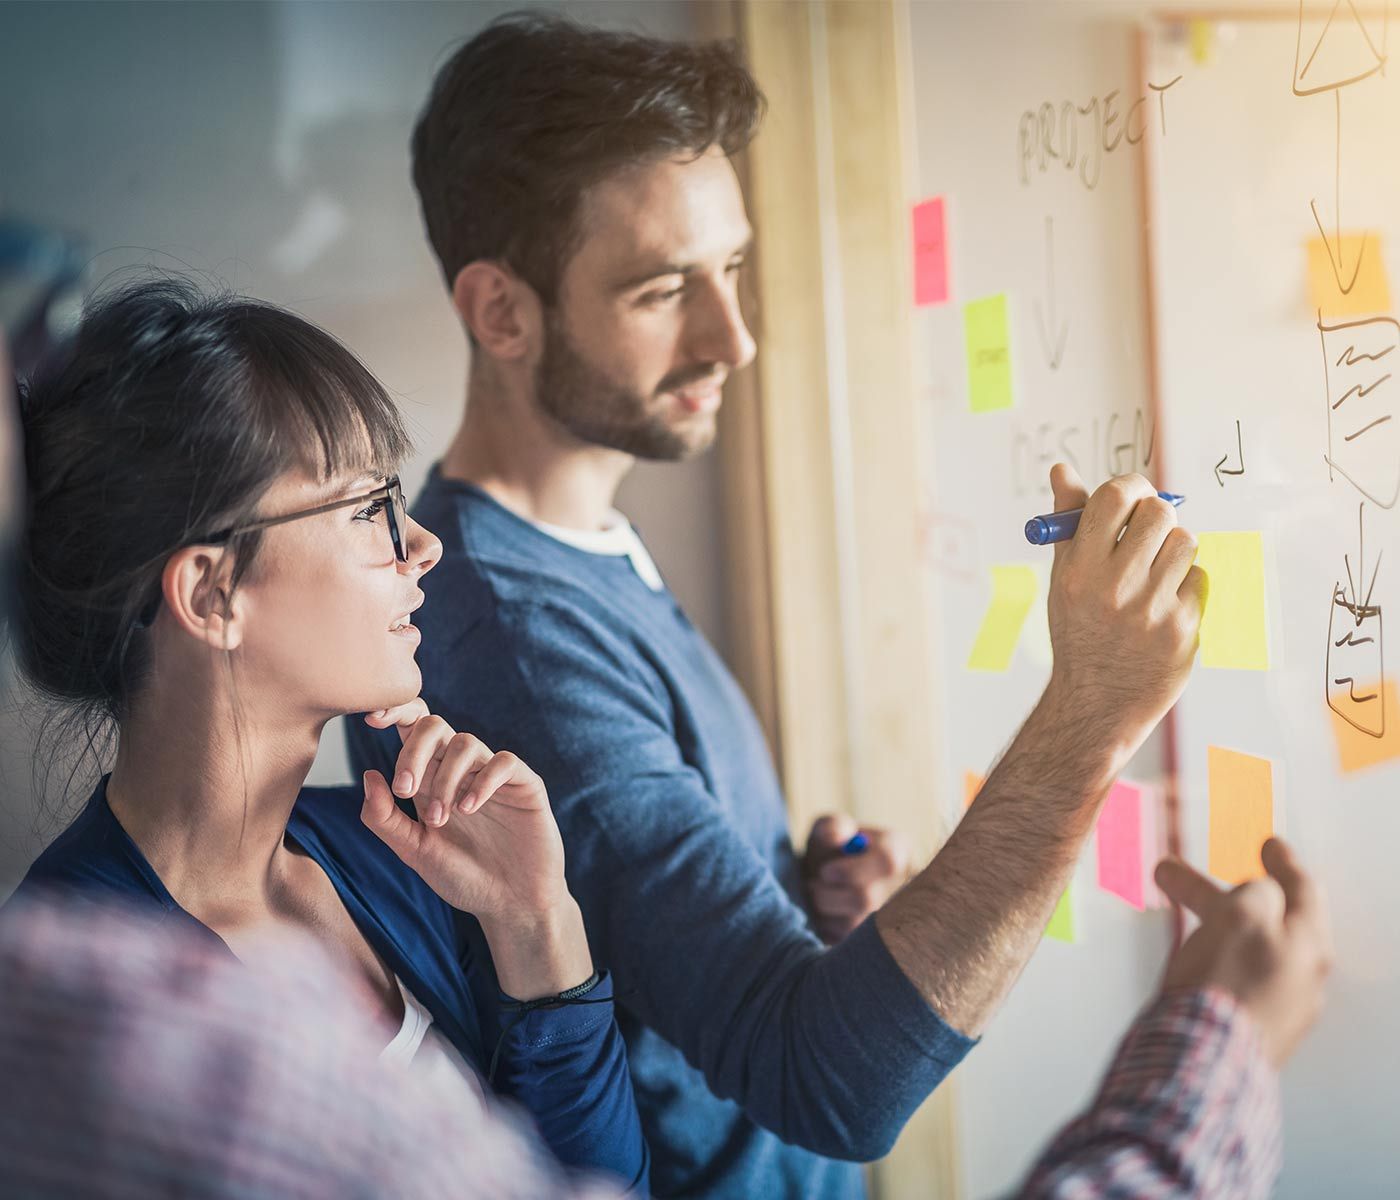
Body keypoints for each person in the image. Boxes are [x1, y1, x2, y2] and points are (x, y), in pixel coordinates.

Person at [347, 15, 1208, 1197]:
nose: (734, 338)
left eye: (733, 269)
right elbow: (827, 1082)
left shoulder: (575, 554)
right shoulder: (516, 640)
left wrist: (810, 919)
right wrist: (1090, 716)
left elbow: (693, 976)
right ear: (501, 312)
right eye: (664, 289)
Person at [7, 277, 647, 1191]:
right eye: (368, 507)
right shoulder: (86, 1008)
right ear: (212, 594)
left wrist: (535, 923)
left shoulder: (395, 849)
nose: (422, 545)